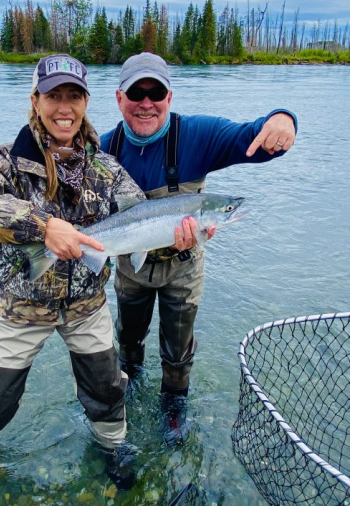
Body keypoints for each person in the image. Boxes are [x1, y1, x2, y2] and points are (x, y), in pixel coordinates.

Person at [0, 54, 146, 506]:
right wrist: (41, 226)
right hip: (22, 305)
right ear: (35, 100)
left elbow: (141, 216)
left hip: (87, 304)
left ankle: (113, 449)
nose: (64, 107)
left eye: (73, 96)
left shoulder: (107, 169)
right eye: (53, 95)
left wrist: (180, 236)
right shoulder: (4, 161)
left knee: (106, 389)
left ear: (86, 103)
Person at [99, 52, 297, 446]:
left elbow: (253, 138)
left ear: (169, 98)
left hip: (184, 267)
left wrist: (283, 119)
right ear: (119, 98)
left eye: (156, 92)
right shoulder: (103, 150)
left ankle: (173, 405)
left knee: (178, 346)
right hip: (130, 264)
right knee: (128, 338)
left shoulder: (198, 135)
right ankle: (130, 382)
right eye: (137, 93)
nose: (146, 103)